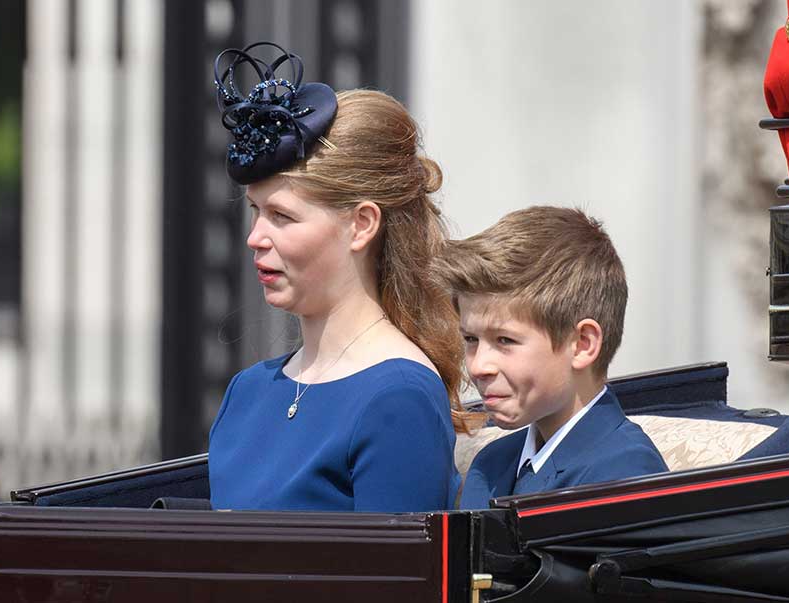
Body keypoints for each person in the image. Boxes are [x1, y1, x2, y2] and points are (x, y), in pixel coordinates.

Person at [207, 42, 471, 512]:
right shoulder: (247, 392)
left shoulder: (397, 397)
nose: (255, 238)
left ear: (362, 224)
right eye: (255, 211)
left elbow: (396, 584)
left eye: (282, 216)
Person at [433, 206, 668, 509]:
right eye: (471, 339)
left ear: (582, 344)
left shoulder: (623, 476)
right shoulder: (491, 464)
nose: (478, 366)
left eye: (505, 340)